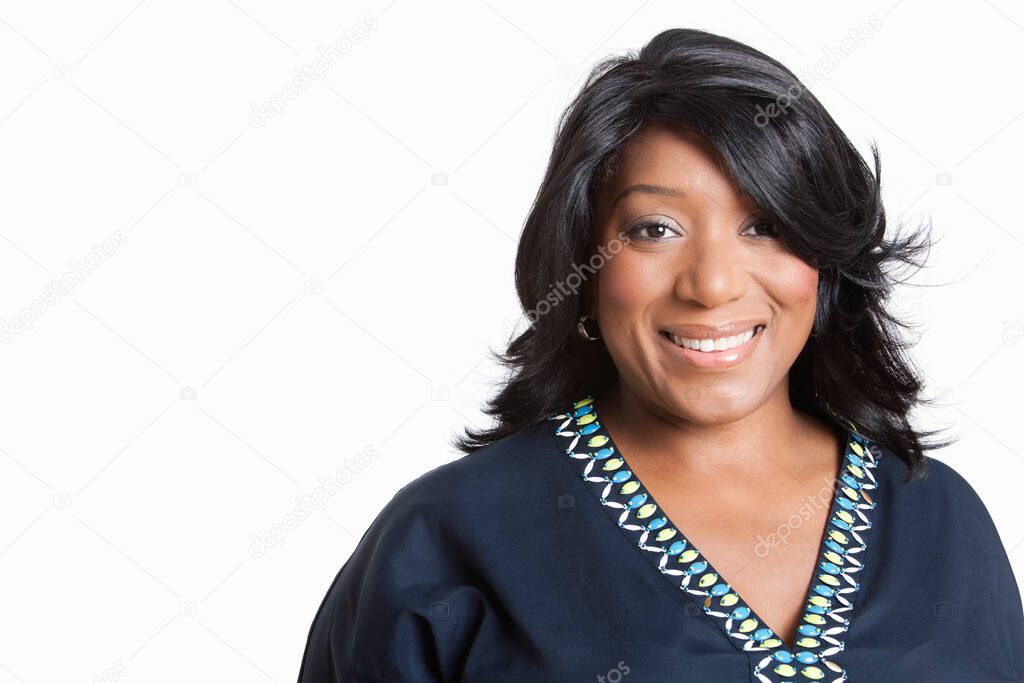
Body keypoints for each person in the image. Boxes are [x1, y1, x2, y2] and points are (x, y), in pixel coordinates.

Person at [297, 27, 1024, 682]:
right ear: (583, 261)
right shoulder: (446, 541)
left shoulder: (941, 518)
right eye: (654, 228)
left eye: (765, 225)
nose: (712, 284)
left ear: (825, 263)